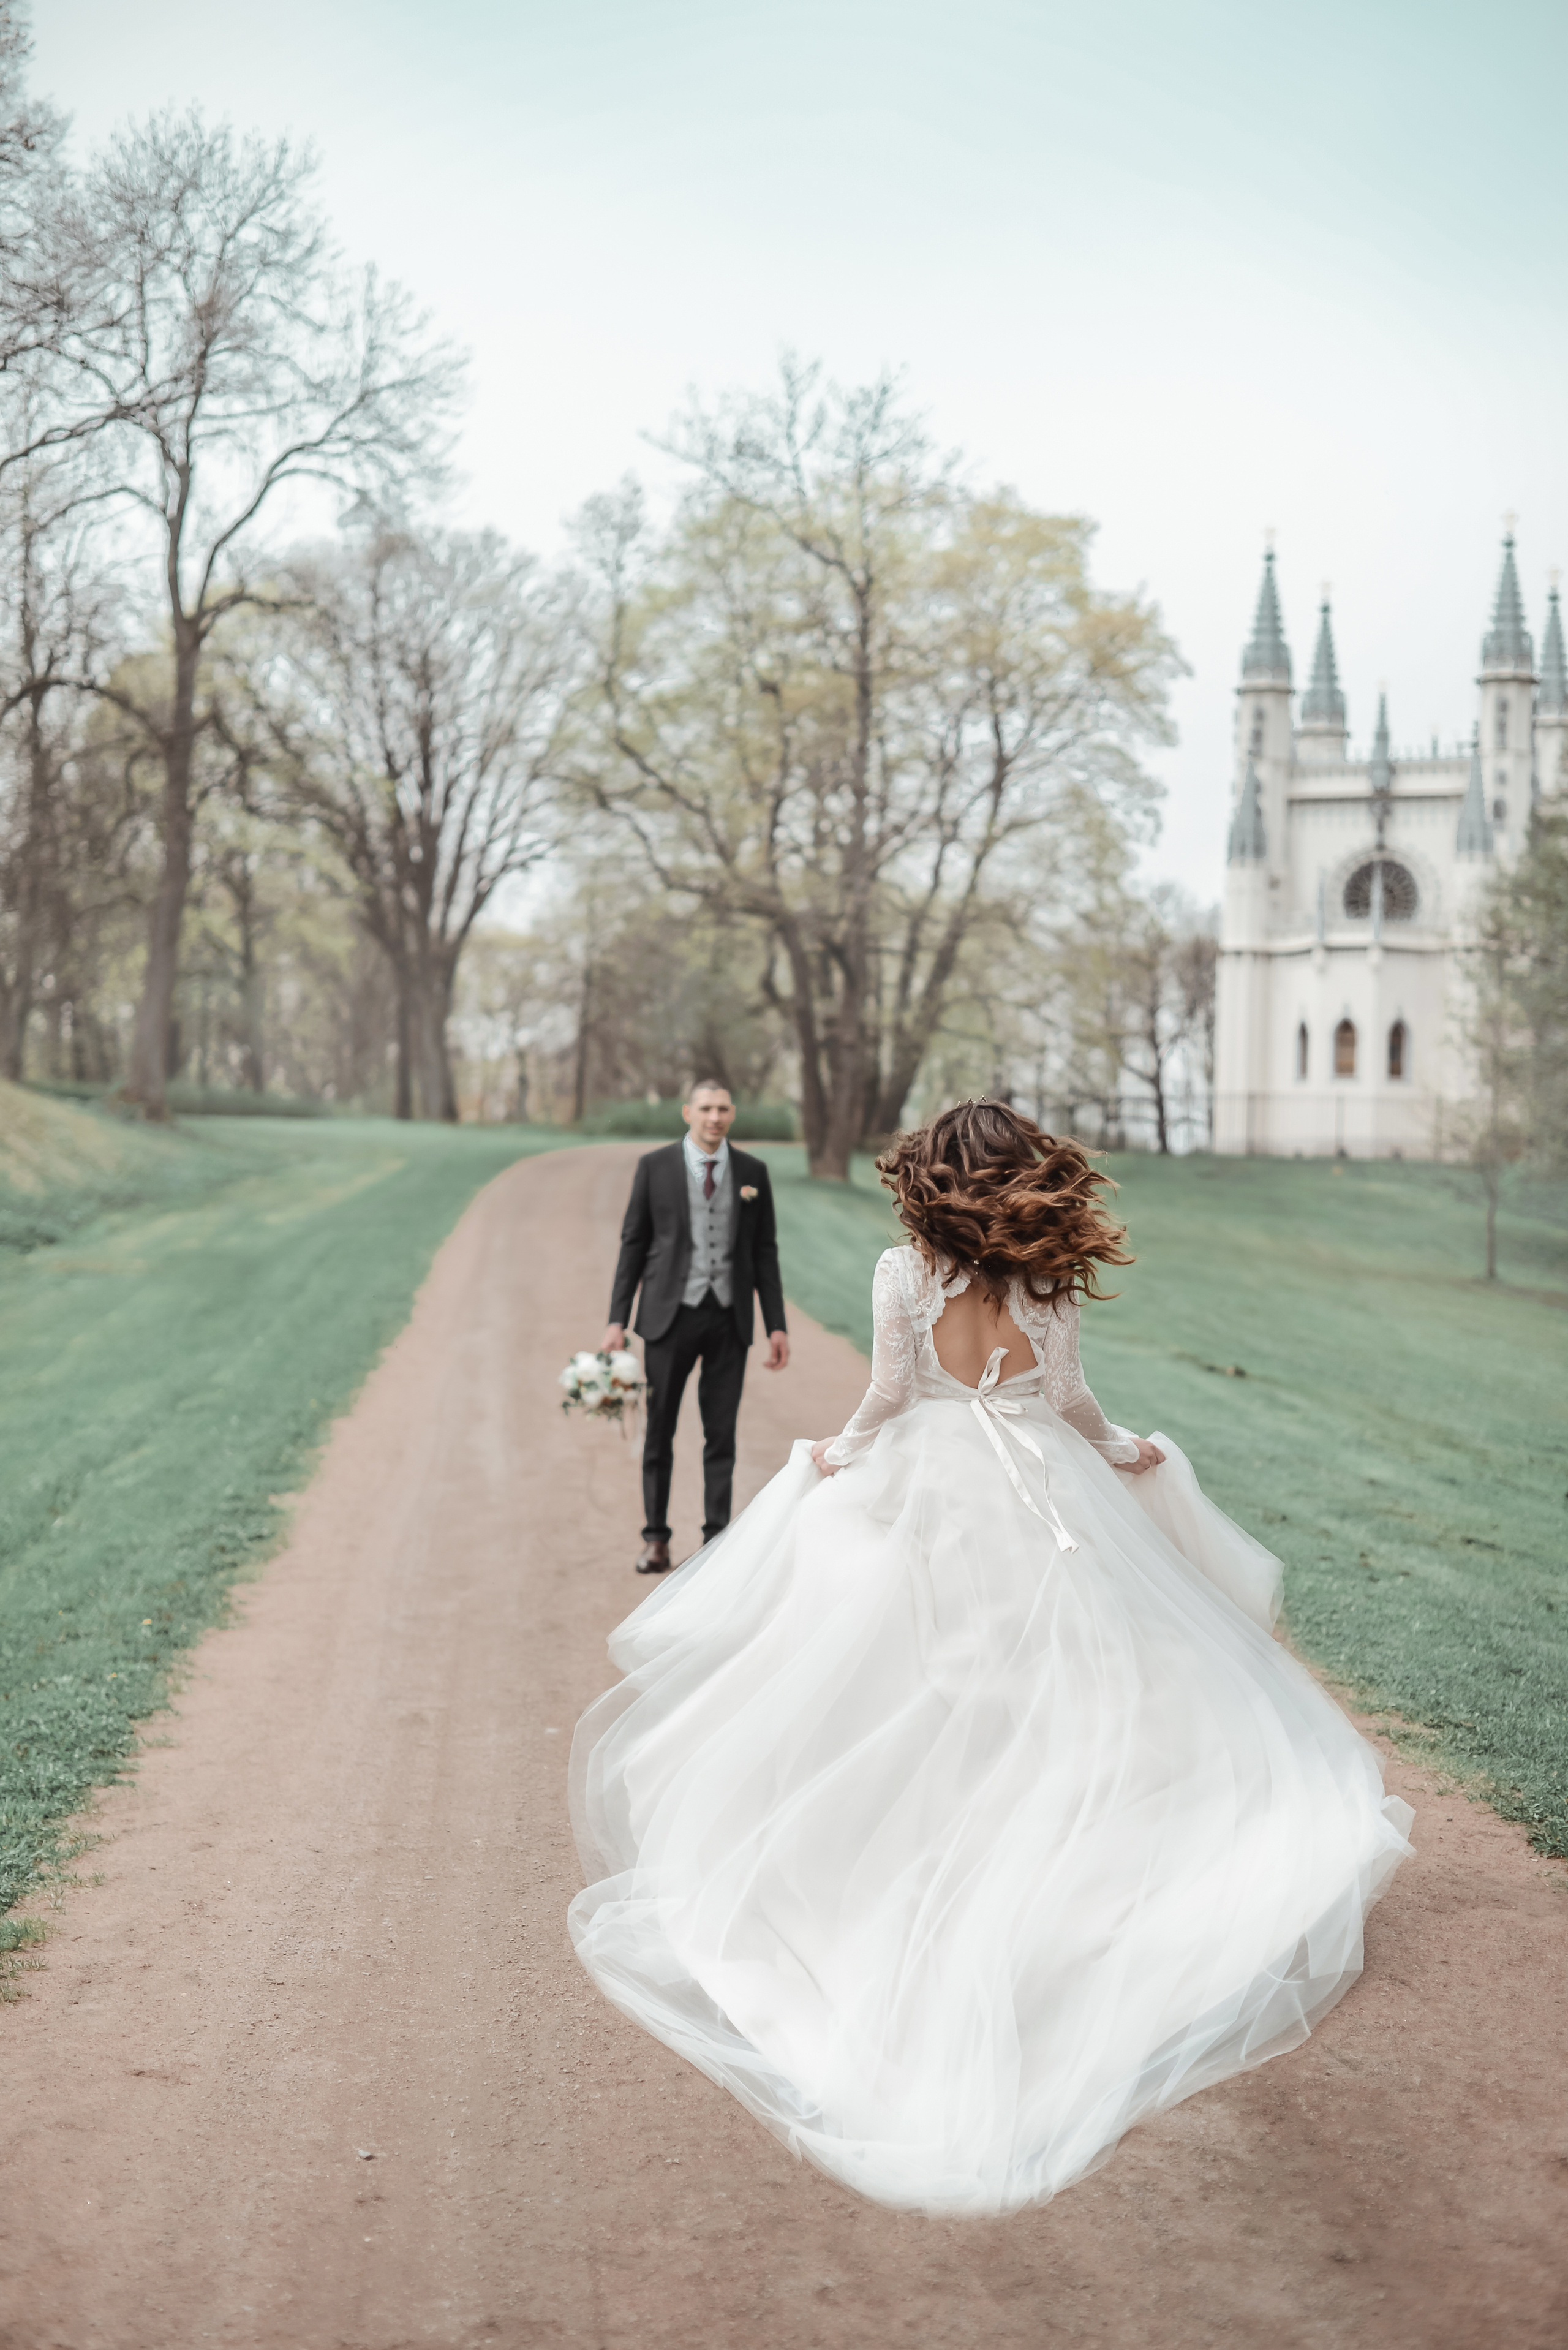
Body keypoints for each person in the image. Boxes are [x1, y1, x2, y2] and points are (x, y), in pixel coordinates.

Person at [570, 1100, 1413, 2215]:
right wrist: (1121, 1451)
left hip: (928, 1476)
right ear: (1020, 1179)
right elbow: (1064, 1402)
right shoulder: (1045, 1279)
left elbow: (887, 1393)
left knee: (909, 1668)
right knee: (1068, 1667)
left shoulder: (900, 1272)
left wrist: (838, 1453)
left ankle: (909, 1853)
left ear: (929, 1179)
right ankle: (1073, 1840)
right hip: (1039, 1482)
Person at [605, 1080, 790, 1575]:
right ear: (688, 1112)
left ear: (733, 1113)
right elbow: (633, 1244)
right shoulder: (655, 1167)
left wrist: (776, 1324)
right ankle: (656, 1539)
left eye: (723, 1108)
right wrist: (617, 1320)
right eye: (706, 1108)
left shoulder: (753, 1173)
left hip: (729, 1319)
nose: (715, 1117)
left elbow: (764, 1252)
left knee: (721, 1433)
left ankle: (716, 1541)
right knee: (659, 1430)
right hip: (668, 1317)